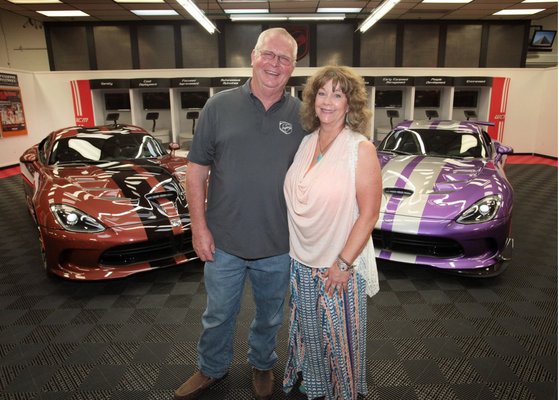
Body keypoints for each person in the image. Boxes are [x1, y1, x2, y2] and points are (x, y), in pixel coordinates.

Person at [174, 28, 306, 400]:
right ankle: (211, 368)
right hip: (224, 241)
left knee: (270, 316)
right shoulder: (218, 107)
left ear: (293, 67)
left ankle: (262, 364)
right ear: (253, 56)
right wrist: (198, 228)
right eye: (269, 54)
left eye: (284, 58)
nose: (275, 64)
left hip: (278, 242)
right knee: (218, 314)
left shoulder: (303, 115)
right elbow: (196, 171)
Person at [282, 65, 383, 399]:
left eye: (337, 95)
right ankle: (315, 385)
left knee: (339, 340)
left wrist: (343, 263)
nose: (327, 101)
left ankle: (342, 392)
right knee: (310, 333)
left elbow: (369, 214)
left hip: (337, 265)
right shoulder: (306, 142)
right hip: (301, 260)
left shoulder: (360, 148)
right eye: (322, 93)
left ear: (350, 104)